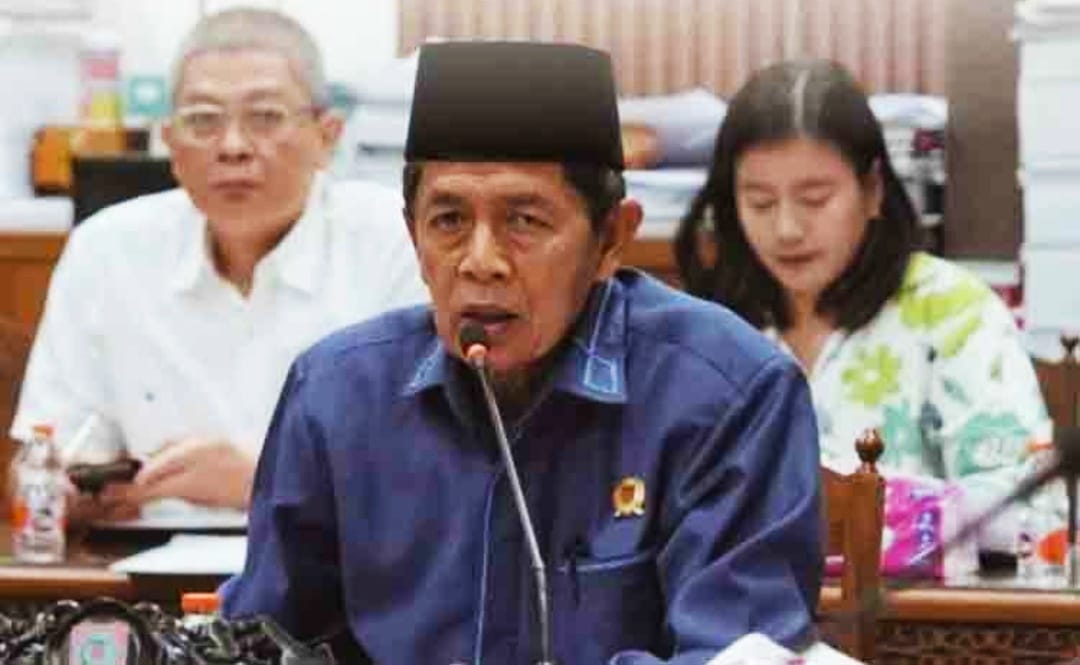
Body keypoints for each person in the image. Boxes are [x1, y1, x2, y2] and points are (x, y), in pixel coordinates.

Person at [222, 42, 823, 664]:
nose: (481, 261)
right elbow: (265, 639)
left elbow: (736, 652)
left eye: (525, 221)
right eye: (449, 221)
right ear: (413, 235)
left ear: (611, 238)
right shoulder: (335, 395)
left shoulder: (729, 392)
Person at [10, 9, 427, 522]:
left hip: (339, 563)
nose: (232, 147)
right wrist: (57, 492)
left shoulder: (395, 243)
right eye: (203, 120)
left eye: (265, 117)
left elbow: (431, 475)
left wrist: (261, 483)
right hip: (146, 563)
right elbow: (42, 458)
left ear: (327, 135)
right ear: (170, 142)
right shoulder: (107, 251)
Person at [675, 60, 1051, 547]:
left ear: (872, 189)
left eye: (815, 199)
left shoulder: (954, 313)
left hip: (913, 596)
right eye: (760, 203)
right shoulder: (710, 323)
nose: (786, 229)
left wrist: (880, 511)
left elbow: (1031, 513)